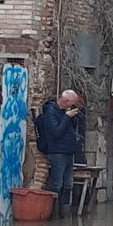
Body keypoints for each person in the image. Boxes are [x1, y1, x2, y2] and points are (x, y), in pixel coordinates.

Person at [40, 89, 85, 217]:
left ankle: (65, 216)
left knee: (68, 185)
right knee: (57, 184)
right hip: (57, 152)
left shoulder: (66, 112)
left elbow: (73, 128)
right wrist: (67, 117)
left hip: (69, 152)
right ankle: (53, 214)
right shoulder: (51, 112)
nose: (72, 106)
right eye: (72, 103)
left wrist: (74, 117)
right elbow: (56, 132)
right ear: (65, 101)